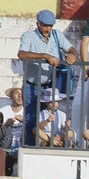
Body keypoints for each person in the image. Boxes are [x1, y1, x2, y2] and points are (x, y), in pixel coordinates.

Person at [19, 9, 67, 150]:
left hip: (49, 84)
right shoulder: (28, 36)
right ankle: (28, 149)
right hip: (31, 84)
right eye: (45, 25)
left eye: (50, 26)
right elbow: (21, 54)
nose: (48, 29)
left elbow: (71, 49)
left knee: (54, 117)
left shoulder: (57, 35)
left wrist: (72, 55)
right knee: (30, 118)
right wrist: (45, 56)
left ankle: (49, 145)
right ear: (37, 24)